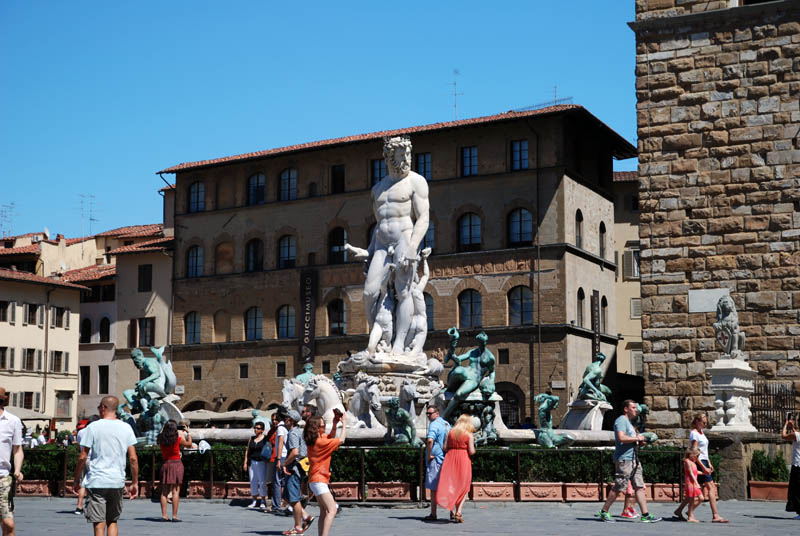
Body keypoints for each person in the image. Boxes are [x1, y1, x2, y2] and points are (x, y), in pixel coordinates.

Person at [72, 396, 139, 536]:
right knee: (112, 521)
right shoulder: (126, 427)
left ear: (103, 407)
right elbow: (133, 458)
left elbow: (83, 456)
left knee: (99, 523)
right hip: (117, 480)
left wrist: (77, 479)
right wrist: (135, 482)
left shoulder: (93, 427)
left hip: (97, 480)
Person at [598, 400, 661, 523]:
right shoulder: (621, 420)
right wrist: (637, 437)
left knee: (639, 486)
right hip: (624, 459)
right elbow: (621, 437)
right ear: (626, 409)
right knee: (619, 487)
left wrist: (641, 442)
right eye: (633, 407)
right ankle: (604, 512)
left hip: (634, 459)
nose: (636, 410)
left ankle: (645, 514)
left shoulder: (629, 423)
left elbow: (631, 440)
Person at [674, 413, 728, 522]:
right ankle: (715, 515)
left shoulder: (701, 433)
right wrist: (703, 467)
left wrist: (709, 462)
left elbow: (704, 451)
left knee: (695, 490)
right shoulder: (694, 434)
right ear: (697, 421)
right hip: (700, 462)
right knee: (710, 487)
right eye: (703, 422)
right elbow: (695, 453)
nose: (705, 424)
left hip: (704, 461)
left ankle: (679, 510)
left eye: (706, 422)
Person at [305, 410, 347, 536]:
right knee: (332, 509)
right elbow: (341, 440)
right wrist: (344, 424)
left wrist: (334, 425)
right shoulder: (320, 442)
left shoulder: (315, 440)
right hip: (319, 481)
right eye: (322, 425)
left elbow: (329, 437)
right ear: (316, 428)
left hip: (315, 480)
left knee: (323, 511)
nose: (324, 427)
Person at [436, 414, 475, 523]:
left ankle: (452, 510)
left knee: (451, 485)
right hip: (463, 459)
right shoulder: (469, 434)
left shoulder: (451, 432)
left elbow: (445, 447)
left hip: (450, 458)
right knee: (464, 487)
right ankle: (459, 512)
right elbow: (471, 451)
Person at [281, 410, 313, 535]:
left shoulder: (293, 433)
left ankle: (298, 527)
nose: (284, 420)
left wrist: (284, 464)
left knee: (293, 498)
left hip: (295, 469)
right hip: (299, 468)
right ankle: (306, 517)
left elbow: (295, 452)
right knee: (287, 496)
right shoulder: (299, 431)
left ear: (291, 421)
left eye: (286, 418)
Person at [157, 420, 192, 522]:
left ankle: (164, 515)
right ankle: (174, 516)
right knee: (175, 491)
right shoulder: (177, 439)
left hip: (166, 464)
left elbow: (162, 434)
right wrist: (188, 433)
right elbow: (189, 444)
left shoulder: (161, 439)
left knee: (164, 492)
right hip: (176, 464)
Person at [0, 387, 24, 536]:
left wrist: (17, 470)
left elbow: (18, 449)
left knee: (8, 524)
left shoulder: (13, 421)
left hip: (2, 478)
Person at [423, 406, 449, 521]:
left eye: (430, 413)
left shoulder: (434, 424)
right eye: (427, 414)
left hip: (436, 459)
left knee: (433, 488)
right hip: (445, 459)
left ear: (437, 413)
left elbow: (430, 440)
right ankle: (453, 512)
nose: (428, 416)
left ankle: (433, 514)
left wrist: (429, 455)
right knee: (448, 487)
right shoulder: (446, 424)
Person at [74, 416, 101, 515]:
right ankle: (92, 506)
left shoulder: (80, 432)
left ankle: (79, 506)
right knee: (95, 483)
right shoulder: (97, 431)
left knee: (83, 483)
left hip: (84, 458)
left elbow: (79, 446)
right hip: (94, 459)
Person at [243, 420, 269, 510]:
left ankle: (263, 500)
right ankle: (254, 500)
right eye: (255, 428)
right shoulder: (251, 438)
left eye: (258, 428)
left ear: (262, 430)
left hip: (261, 462)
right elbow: (247, 450)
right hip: (252, 462)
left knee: (262, 481)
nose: (255, 429)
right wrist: (245, 462)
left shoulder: (265, 439)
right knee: (253, 481)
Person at [781, 414, 800, 519]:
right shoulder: (796, 435)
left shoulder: (796, 435)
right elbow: (796, 435)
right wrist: (792, 428)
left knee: (796, 490)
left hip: (797, 465)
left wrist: (785, 425)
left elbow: (784, 436)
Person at [271, 407, 289, 513]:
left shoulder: (280, 428)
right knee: (285, 481)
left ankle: (276, 505)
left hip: (281, 456)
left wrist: (278, 458)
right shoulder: (287, 427)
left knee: (277, 481)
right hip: (287, 456)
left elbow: (280, 442)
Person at [682, 448, 703, 523]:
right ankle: (690, 516)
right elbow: (691, 473)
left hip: (693, 482)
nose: (697, 457)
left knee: (701, 498)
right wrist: (696, 483)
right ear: (691, 454)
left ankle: (689, 512)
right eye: (697, 455)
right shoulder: (687, 461)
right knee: (691, 500)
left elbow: (695, 472)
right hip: (690, 483)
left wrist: (704, 473)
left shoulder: (693, 462)